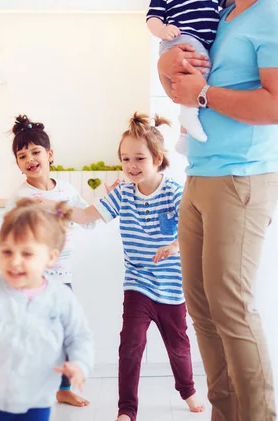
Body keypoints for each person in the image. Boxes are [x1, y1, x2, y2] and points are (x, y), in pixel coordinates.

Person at [157, 0, 278, 421]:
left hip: (242, 180)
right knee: (201, 308)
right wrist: (168, 67)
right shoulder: (223, 6)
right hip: (201, 173)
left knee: (232, 307)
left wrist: (201, 96)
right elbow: (183, 75)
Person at [41, 113, 205, 421]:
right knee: (130, 346)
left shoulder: (173, 192)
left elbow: (191, 227)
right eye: (125, 158)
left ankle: (187, 389)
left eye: (139, 158)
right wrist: (54, 206)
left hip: (170, 287)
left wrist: (174, 246)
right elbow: (88, 215)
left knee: (179, 347)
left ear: (158, 159)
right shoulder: (123, 193)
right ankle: (126, 410)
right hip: (138, 283)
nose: (131, 165)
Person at [0, 198, 95, 421]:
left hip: (37, 401)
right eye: (7, 252)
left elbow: (79, 338)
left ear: (51, 257)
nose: (15, 262)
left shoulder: (61, 298)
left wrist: (79, 365)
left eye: (26, 254)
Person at [5, 114, 96, 407]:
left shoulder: (66, 189)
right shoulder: (21, 196)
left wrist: (109, 199)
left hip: (63, 277)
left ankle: (62, 387)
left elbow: (87, 220)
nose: (30, 159)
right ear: (17, 164)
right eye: (22, 155)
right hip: (35, 280)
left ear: (49, 155)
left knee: (67, 334)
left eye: (35, 152)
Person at [146, 0, 227, 154]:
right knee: (197, 75)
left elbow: (232, 2)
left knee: (197, 78)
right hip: (179, 41)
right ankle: (188, 119)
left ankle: (183, 135)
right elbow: (152, 19)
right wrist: (162, 29)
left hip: (202, 43)